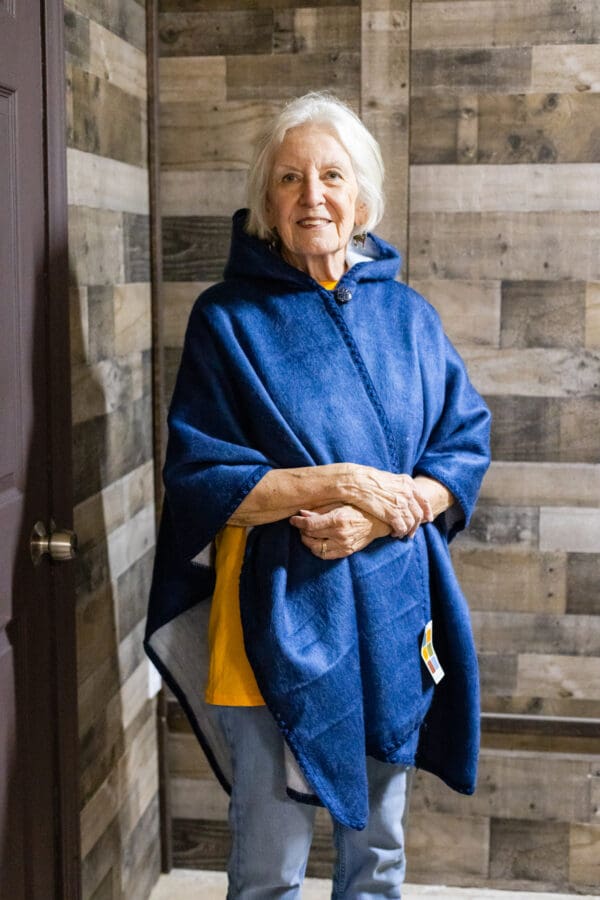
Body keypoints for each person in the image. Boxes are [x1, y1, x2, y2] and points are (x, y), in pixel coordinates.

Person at [145, 92, 491, 899]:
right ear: (268, 200)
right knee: (269, 861)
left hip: (392, 614)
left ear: (361, 197)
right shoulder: (227, 320)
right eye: (291, 178)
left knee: (378, 855)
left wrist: (390, 510)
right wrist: (342, 483)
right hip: (274, 623)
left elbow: (463, 444)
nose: (313, 197)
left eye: (332, 176)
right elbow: (202, 478)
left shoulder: (408, 317)